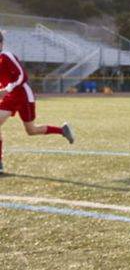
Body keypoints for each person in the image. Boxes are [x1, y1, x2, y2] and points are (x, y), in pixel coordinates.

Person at [0, 30, 74, 174]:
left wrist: (7, 89)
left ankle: (62, 130)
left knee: (31, 130)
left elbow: (22, 76)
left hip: (23, 96)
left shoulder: (6, 56)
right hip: (9, 98)